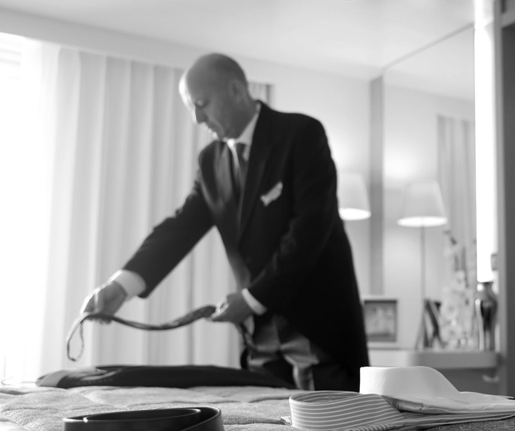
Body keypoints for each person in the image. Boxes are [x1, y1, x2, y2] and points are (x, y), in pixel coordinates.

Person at [81, 53, 369, 392]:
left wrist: (251, 297)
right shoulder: (210, 161)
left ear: (235, 90)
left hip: (317, 325)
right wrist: (121, 286)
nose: (197, 118)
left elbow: (309, 230)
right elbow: (180, 228)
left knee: (333, 424)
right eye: (191, 108)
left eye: (201, 104)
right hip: (258, 332)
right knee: (266, 421)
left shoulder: (301, 134)